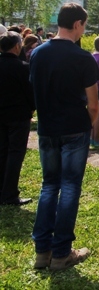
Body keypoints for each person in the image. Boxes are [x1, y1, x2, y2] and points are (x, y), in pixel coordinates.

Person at [29, 3, 99, 271]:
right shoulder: (82, 58)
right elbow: (94, 104)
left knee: (49, 186)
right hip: (73, 128)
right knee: (69, 187)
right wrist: (87, 125)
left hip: (47, 128)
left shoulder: (37, 53)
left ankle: (42, 252)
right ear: (78, 25)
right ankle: (61, 253)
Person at [0, 32, 35, 206]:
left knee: (2, 151)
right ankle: (9, 193)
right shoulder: (22, 67)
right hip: (18, 116)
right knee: (15, 154)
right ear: (16, 46)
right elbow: (30, 93)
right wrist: (32, 108)